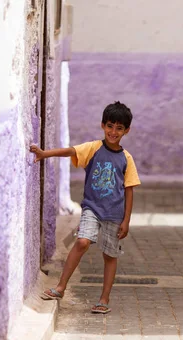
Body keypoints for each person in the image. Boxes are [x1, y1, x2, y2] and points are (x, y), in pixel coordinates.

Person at [30, 101, 140, 314]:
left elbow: (129, 190)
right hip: (92, 208)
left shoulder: (127, 159)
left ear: (127, 130)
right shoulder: (93, 148)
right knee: (82, 241)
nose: (113, 132)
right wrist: (44, 154)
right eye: (110, 126)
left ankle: (104, 299)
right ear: (102, 125)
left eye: (119, 128)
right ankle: (61, 286)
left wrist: (126, 220)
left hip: (114, 214)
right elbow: (70, 150)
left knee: (109, 256)